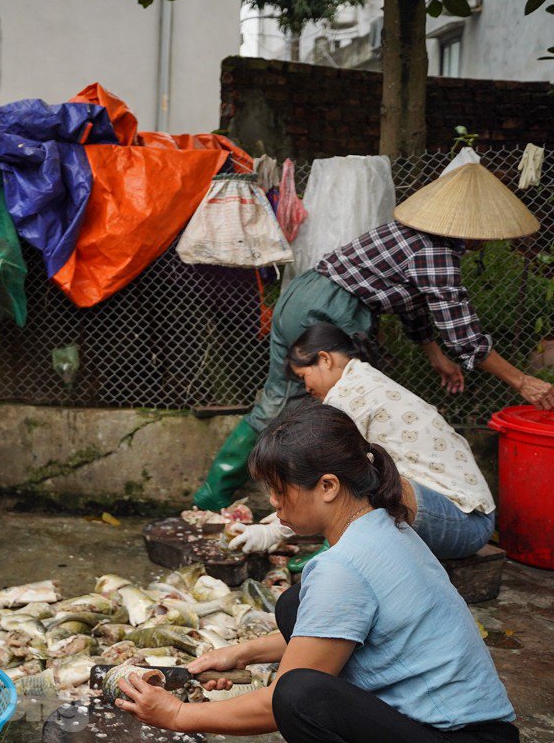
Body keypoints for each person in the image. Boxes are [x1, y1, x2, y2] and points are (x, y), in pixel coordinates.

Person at [117, 403, 518, 742]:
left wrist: (176, 716)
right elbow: (330, 627)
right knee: (294, 604)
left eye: (279, 490)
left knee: (298, 694)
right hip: (483, 728)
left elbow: (277, 704)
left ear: (328, 486)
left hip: (461, 735)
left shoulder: (341, 566)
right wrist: (240, 653)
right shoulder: (386, 522)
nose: (274, 504)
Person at [191, 163, 554, 512]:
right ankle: (296, 508)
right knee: (342, 411)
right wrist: (522, 382)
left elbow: (410, 303)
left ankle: (267, 501)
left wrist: (433, 354)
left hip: (306, 295)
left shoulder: (409, 235)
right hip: (328, 311)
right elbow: (466, 339)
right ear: (472, 227)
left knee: (300, 402)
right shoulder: (435, 253)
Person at [231, 323, 496, 561]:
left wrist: (273, 532)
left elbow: (319, 478)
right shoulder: (360, 380)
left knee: (352, 479)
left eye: (303, 376)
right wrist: (270, 527)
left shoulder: (348, 395)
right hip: (464, 518)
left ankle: (337, 553)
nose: (306, 388)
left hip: (466, 524)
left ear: (324, 359)